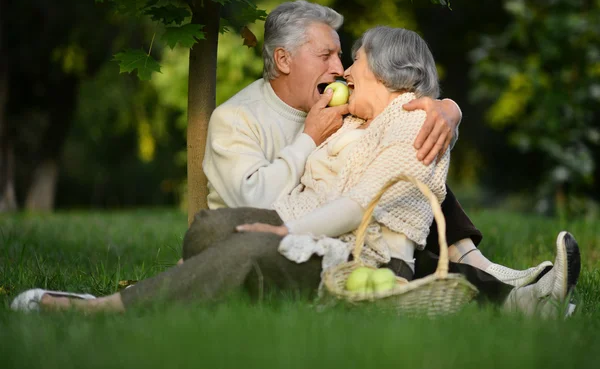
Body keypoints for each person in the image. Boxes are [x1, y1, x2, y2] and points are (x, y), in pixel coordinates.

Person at [12, 26, 580, 317]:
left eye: (354, 60)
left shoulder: (411, 121)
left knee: (250, 249)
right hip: (302, 224)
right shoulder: (346, 121)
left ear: (385, 73)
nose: (345, 72)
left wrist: (284, 234)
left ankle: (105, 310)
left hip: (359, 254)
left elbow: (360, 205)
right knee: (208, 230)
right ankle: (218, 289)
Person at [202, 0, 551, 286]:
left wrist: (448, 109)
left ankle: (479, 266)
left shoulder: (341, 108)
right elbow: (258, 200)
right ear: (283, 59)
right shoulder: (238, 118)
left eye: (342, 56)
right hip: (278, 221)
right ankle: (491, 281)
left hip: (354, 233)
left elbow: (397, 117)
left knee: (409, 164)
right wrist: (309, 138)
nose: (339, 69)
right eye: (326, 56)